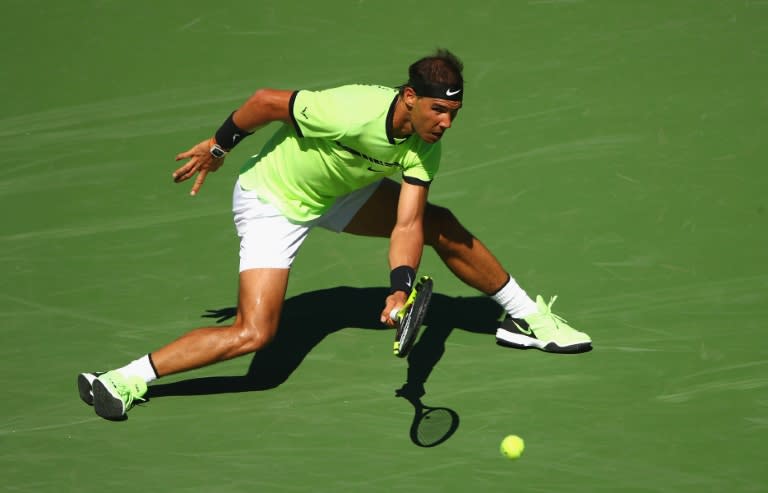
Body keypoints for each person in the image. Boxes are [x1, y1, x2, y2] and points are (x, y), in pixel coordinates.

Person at [77, 49, 591, 420]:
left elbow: (409, 223)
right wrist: (219, 145)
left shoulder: (426, 144)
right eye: (438, 110)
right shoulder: (348, 110)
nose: (445, 123)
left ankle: (531, 318)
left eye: (453, 114)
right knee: (253, 336)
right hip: (272, 201)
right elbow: (265, 102)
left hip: (337, 193)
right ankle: (124, 379)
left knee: (441, 223)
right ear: (410, 97)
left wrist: (401, 282)